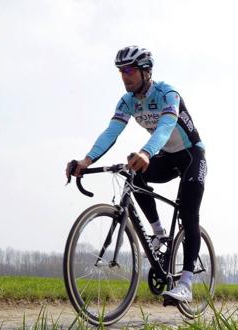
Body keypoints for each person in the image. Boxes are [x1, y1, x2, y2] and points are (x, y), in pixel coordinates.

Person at [66, 46, 206, 303]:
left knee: (188, 214)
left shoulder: (168, 93)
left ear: (146, 71)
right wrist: (86, 161)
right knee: (134, 171)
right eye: (121, 71)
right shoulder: (127, 101)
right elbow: (111, 132)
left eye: (129, 70)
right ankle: (159, 233)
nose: (125, 76)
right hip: (164, 156)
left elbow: (166, 126)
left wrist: (146, 152)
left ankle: (186, 283)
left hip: (190, 156)